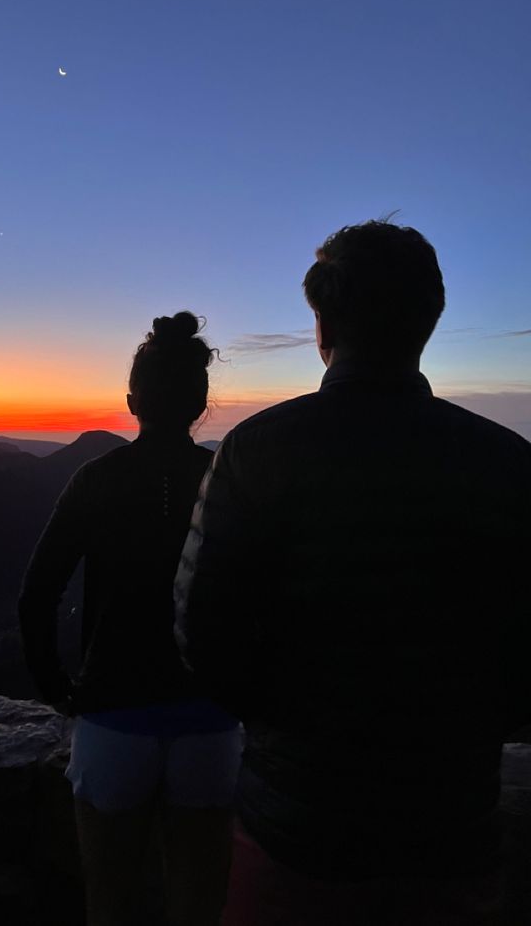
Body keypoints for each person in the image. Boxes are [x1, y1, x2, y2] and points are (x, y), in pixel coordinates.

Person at [174, 221, 531, 926]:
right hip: (451, 835)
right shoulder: (508, 464)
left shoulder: (256, 452)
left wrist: (291, 730)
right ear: (429, 321)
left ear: (323, 323)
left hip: (295, 836)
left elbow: (201, 639)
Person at [19, 311, 241, 926]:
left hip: (112, 714)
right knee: (200, 902)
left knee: (110, 901)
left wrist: (57, 689)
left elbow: (37, 594)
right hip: (210, 721)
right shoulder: (225, 481)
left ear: (131, 399)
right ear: (200, 402)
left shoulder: (97, 479)